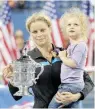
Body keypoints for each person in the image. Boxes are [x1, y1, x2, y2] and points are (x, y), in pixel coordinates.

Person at [3, 12, 94, 108]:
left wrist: (76, 96)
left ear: (50, 29)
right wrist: (13, 80)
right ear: (30, 34)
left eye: (42, 30)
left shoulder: (65, 54)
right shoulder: (26, 60)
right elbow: (17, 95)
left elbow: (88, 82)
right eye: (35, 31)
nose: (39, 34)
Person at [48, 8, 89, 108]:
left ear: (82, 28)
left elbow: (73, 63)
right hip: (70, 84)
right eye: (69, 25)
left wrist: (62, 57)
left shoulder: (81, 45)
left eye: (76, 24)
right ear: (65, 29)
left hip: (71, 84)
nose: (72, 27)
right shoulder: (72, 46)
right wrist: (60, 55)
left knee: (51, 106)